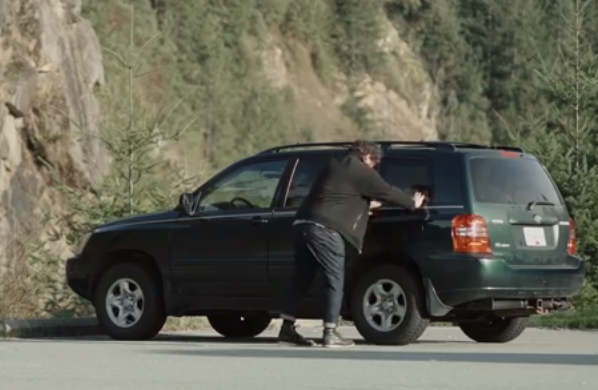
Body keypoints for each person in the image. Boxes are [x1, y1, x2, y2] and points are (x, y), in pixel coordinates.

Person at [277, 140, 426, 348]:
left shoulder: (335, 163)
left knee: (302, 277)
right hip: (325, 230)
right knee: (335, 279)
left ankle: (286, 327)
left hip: (303, 224)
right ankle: (330, 332)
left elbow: (339, 196)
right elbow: (387, 191)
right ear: (367, 156)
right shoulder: (360, 170)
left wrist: (365, 205)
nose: (373, 169)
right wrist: (412, 203)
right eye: (374, 165)